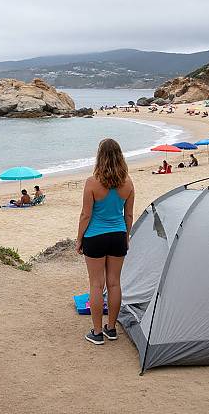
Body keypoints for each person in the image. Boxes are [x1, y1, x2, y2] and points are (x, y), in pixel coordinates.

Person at [76, 139, 135, 345]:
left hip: (95, 236)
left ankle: (97, 332)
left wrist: (79, 239)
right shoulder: (128, 183)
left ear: (100, 157)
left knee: (96, 284)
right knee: (114, 283)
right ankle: (111, 328)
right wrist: (126, 237)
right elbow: (129, 215)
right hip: (118, 235)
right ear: (120, 156)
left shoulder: (92, 182)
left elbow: (85, 215)